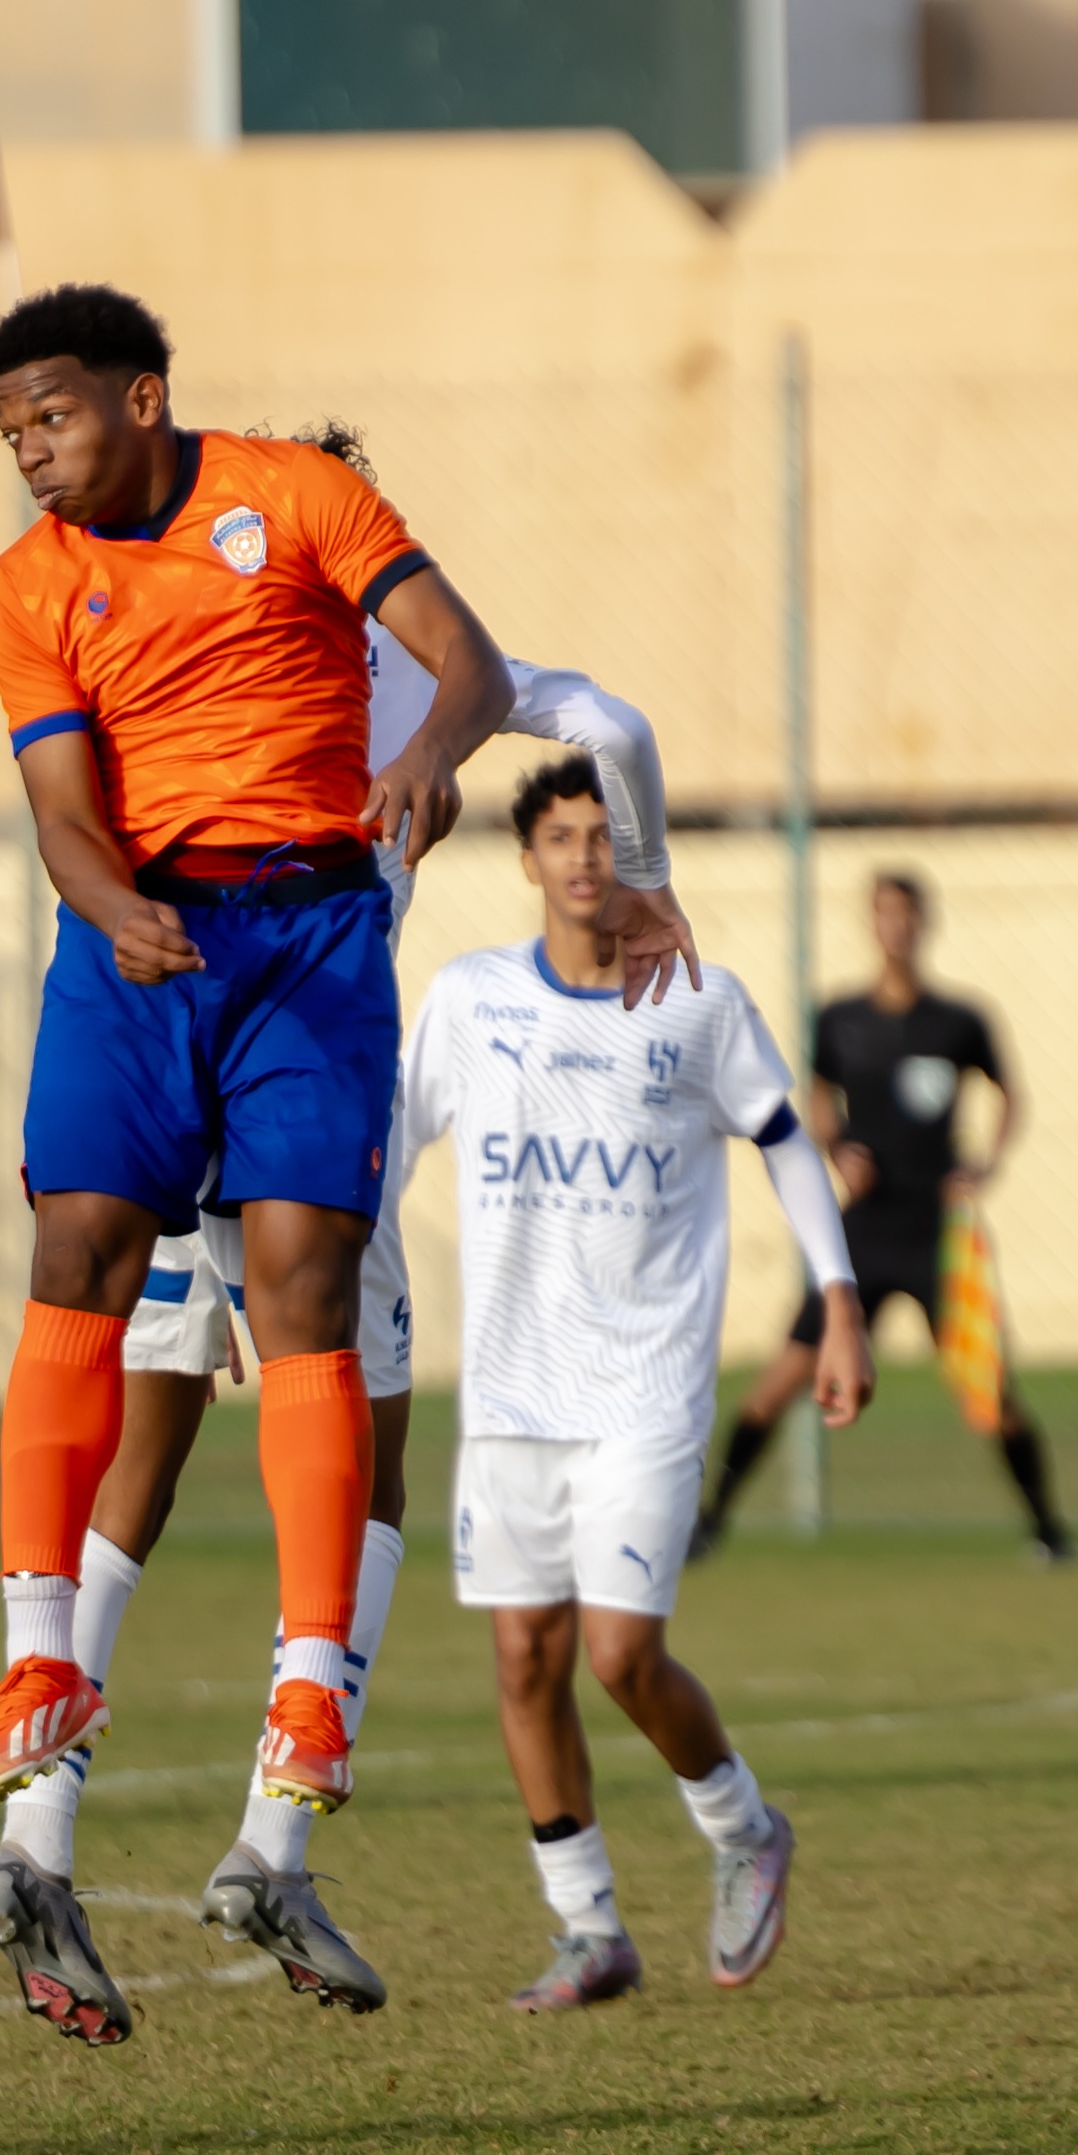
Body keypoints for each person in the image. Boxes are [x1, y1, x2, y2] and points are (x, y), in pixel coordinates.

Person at [0, 292, 687, 2046]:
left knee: (148, 1431)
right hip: (269, 1040)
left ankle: (38, 1833)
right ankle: (271, 1830)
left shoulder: (298, 586)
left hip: (250, 1025)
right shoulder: (301, 610)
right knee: (357, 1431)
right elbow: (615, 720)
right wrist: (644, 867)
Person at [402, 758, 870, 2009]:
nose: (587, 857)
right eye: (563, 835)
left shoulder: (698, 1003)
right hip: (509, 1393)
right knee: (521, 1661)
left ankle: (743, 1829)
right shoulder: (469, 999)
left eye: (609, 835)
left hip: (645, 1390)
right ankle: (587, 1925)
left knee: (617, 1653)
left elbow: (785, 1142)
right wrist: (321, 1290)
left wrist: (838, 1302)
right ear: (528, 858)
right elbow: (384, 1153)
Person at [693, 868, 1072, 1561]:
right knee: (781, 1381)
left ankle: (1049, 1529)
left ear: (925, 923)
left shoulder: (959, 1021)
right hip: (859, 1236)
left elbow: (1009, 1095)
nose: (896, 926)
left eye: (907, 914)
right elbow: (814, 1097)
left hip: (937, 1235)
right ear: (871, 924)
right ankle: (710, 1521)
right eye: (884, 914)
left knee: (988, 1395)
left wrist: (986, 1163)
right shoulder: (841, 1018)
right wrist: (837, 1145)